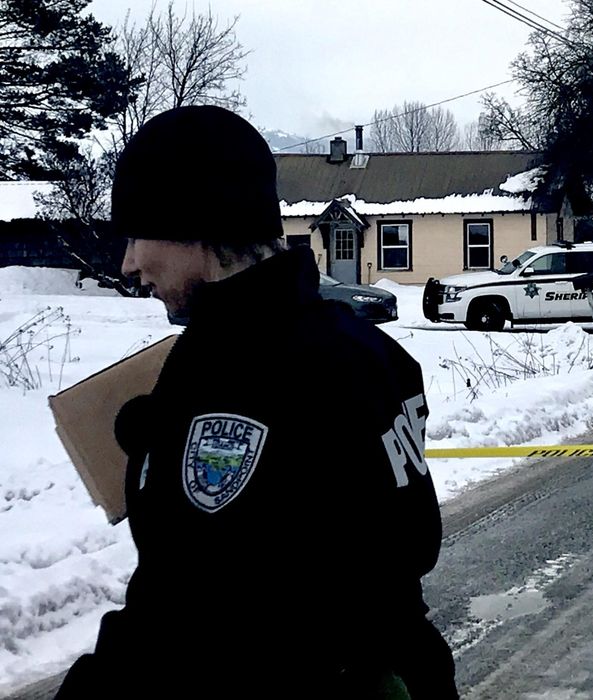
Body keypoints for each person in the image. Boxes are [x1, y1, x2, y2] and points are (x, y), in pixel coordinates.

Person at [55, 106, 457, 699]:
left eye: (139, 234)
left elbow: (179, 626)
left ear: (198, 227)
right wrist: (158, 443)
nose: (130, 264)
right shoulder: (371, 352)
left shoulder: (234, 383)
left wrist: (170, 458)